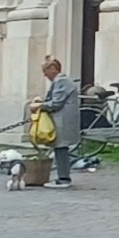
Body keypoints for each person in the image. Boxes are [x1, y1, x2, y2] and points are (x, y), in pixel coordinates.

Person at [38, 57, 81, 186]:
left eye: (46, 71)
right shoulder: (61, 81)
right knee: (60, 149)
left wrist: (40, 106)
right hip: (62, 119)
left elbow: (56, 103)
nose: (45, 75)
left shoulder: (62, 81)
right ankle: (63, 176)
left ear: (53, 69)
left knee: (61, 148)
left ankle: (63, 178)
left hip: (62, 119)